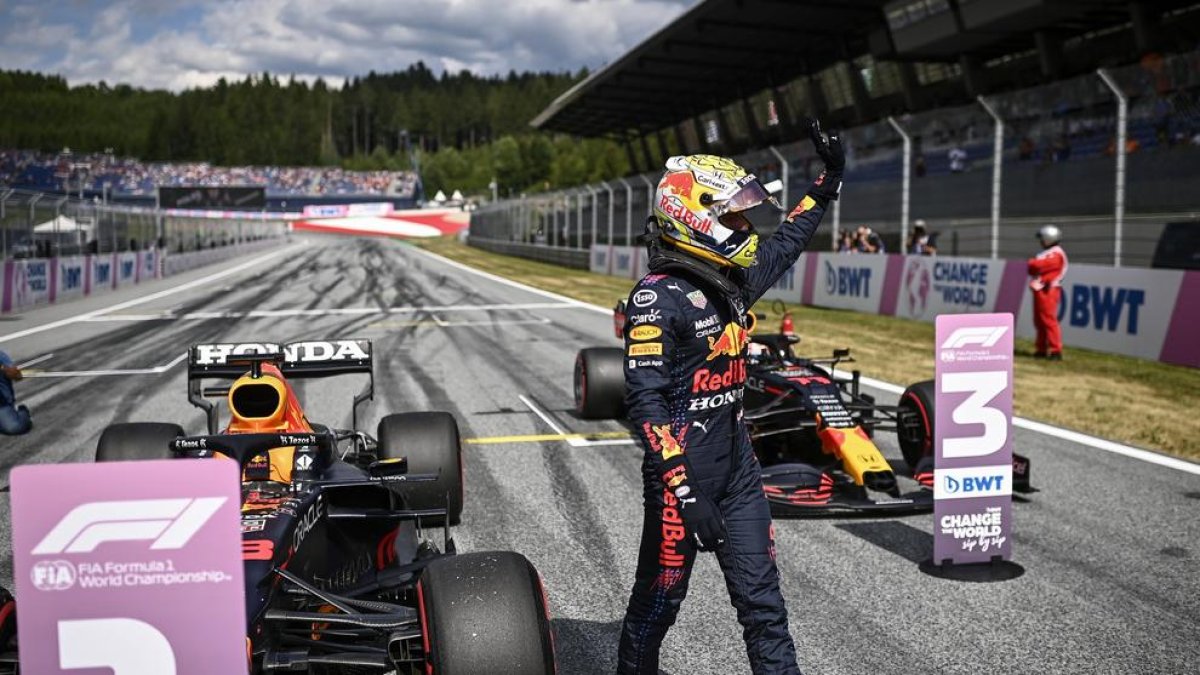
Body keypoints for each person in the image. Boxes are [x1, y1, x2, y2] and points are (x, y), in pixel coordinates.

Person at [617, 119, 843, 675]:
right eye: (735, 216)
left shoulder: (730, 280)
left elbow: (788, 240)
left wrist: (828, 180)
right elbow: (644, 406)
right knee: (658, 607)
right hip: (681, 483)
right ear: (695, 218)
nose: (746, 226)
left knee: (764, 608)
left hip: (739, 472)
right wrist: (687, 494)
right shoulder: (654, 298)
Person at [1027, 224, 1068, 360]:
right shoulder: (1044, 254)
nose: (1040, 241)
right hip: (1039, 289)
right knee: (1039, 321)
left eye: (1042, 238)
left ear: (1049, 238)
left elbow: (1039, 265)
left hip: (1049, 290)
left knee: (1049, 320)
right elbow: (1032, 269)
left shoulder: (1057, 253)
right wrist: (1034, 264)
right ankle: (1041, 349)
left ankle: (1056, 350)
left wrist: (1034, 263)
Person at [0, 351, 32, 435]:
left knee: (15, 427)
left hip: (2, 403)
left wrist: (8, 370)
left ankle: (22, 412)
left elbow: (18, 377)